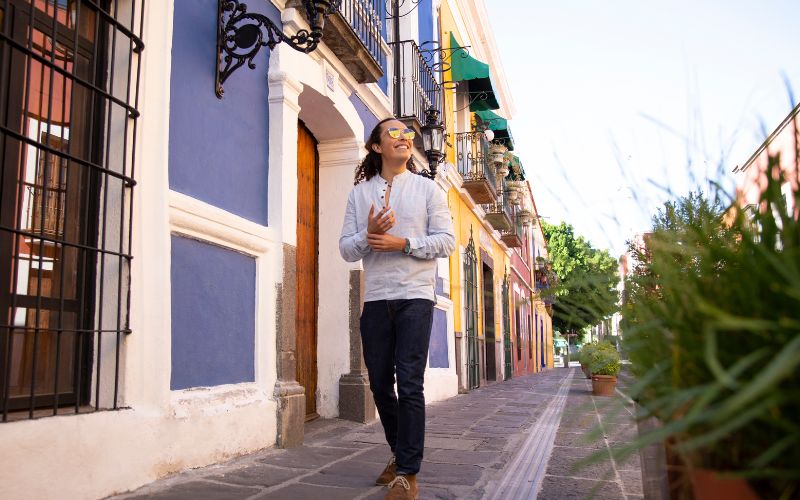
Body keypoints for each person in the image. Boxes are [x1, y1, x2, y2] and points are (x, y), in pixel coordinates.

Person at [339, 118, 455, 500]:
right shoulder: (360, 195)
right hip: (376, 298)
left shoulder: (427, 189)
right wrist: (369, 235)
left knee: (409, 382)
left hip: (415, 296)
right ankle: (398, 451)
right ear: (376, 146)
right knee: (378, 383)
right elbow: (346, 249)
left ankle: (407, 474)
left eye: (407, 133)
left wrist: (403, 243)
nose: (404, 137)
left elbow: (447, 241)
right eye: (393, 132)